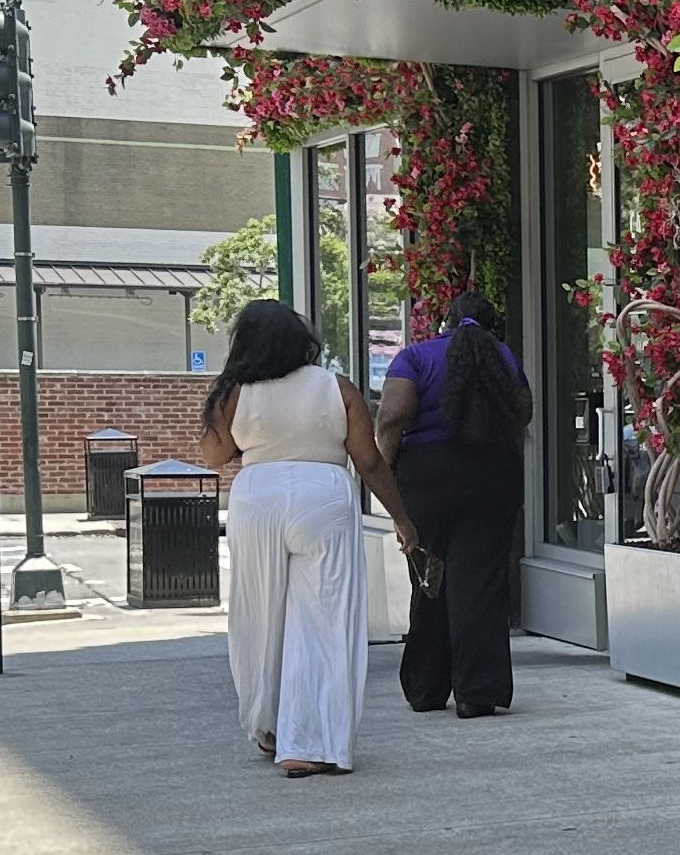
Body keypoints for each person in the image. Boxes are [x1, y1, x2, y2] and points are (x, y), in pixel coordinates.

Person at [194, 300, 413, 778]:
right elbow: (369, 462)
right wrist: (401, 518)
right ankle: (311, 742)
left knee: (259, 616)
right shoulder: (338, 388)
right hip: (323, 495)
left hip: (258, 498)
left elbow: (213, 456)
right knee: (325, 621)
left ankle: (269, 725)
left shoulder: (236, 391)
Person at [378, 288, 531, 719]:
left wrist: (384, 473)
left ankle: (426, 688)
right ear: (492, 326)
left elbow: (392, 416)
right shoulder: (503, 356)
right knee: (481, 581)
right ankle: (476, 693)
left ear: (444, 321)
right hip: (492, 473)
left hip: (427, 476)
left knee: (430, 577)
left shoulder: (415, 357)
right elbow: (523, 412)